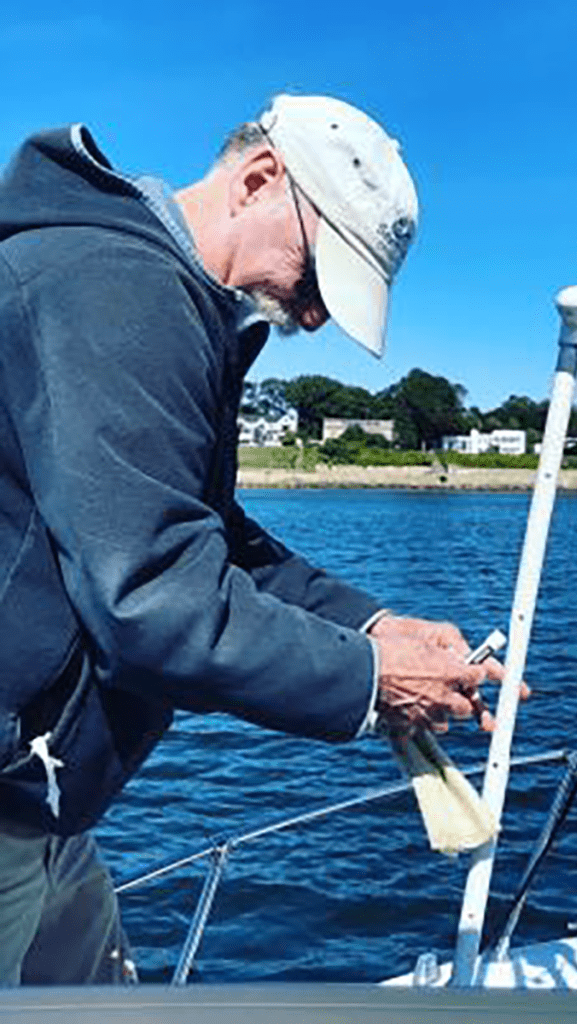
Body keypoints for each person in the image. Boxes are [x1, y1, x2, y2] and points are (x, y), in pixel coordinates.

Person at [0, 94, 509, 985]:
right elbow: (154, 595)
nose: (314, 318)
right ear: (259, 180)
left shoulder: (156, 295)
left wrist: (373, 626)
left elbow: (209, 537)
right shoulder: (123, 292)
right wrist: (372, 683)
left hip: (39, 808)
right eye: (320, 277)